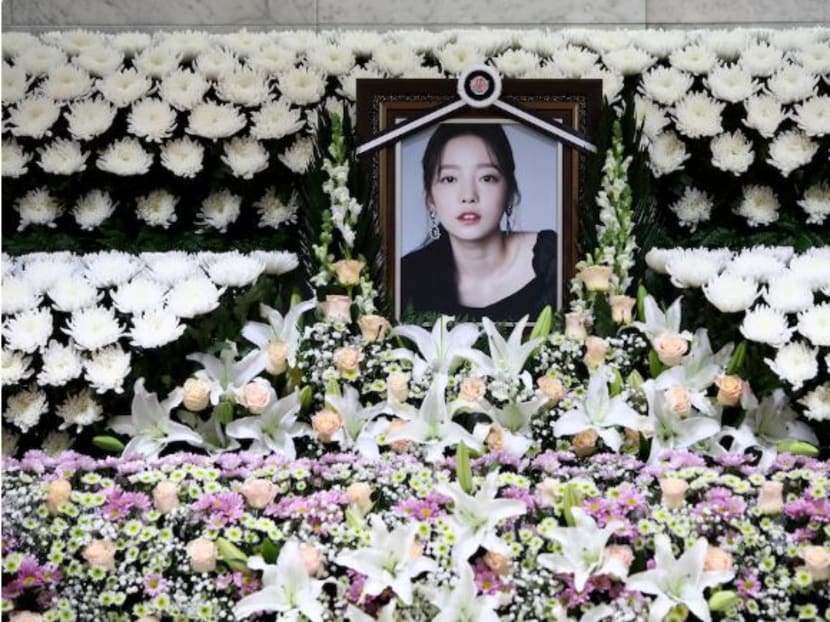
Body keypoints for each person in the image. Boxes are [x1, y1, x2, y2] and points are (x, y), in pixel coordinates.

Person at [401, 123, 557, 321]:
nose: (468, 196)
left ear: (509, 193)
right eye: (450, 179)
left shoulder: (552, 259)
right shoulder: (406, 278)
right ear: (431, 199)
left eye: (487, 178)